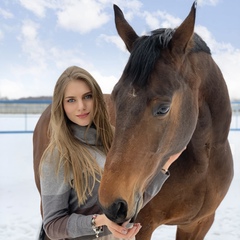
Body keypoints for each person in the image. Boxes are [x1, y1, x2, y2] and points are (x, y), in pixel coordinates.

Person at [39, 65, 184, 240]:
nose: (81, 107)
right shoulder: (57, 156)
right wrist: (99, 222)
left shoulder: (115, 140)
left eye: (87, 97)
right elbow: (53, 226)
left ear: (97, 98)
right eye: (71, 100)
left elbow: (127, 205)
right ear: (61, 105)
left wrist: (163, 169)